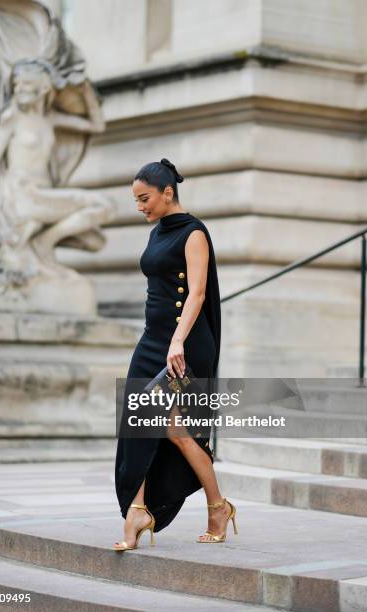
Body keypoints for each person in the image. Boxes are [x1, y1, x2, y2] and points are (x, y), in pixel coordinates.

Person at [113, 158, 238, 550]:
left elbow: (197, 293)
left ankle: (209, 507)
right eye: (136, 200)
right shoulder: (158, 232)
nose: (140, 207)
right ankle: (146, 510)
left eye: (145, 198)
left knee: (160, 421)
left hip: (185, 345)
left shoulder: (194, 232)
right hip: (154, 341)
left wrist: (177, 341)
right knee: (156, 424)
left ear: (168, 192)